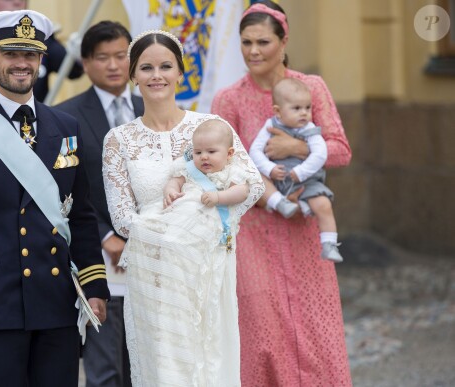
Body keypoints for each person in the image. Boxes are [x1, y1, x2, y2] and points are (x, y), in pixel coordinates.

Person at [0, 10, 110, 386]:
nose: (22, 64)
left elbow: (80, 215)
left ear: (42, 61)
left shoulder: (65, 127)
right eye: (11, 54)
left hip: (56, 301)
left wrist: (94, 287)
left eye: (30, 55)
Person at [102, 30, 263, 387]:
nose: (156, 75)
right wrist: (170, 238)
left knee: (209, 359)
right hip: (153, 272)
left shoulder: (210, 128)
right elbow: (122, 218)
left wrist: (203, 230)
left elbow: (252, 185)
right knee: (166, 367)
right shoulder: (118, 140)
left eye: (165, 66)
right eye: (146, 67)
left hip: (207, 268)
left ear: (180, 72)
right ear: (133, 75)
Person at [211, 2, 353, 386]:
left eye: (263, 42)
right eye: (245, 42)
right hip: (253, 233)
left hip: (305, 230)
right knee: (262, 336)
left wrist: (297, 148)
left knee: (315, 326)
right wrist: (269, 195)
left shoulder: (312, 88)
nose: (253, 51)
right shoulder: (229, 99)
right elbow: (223, 169)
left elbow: (341, 150)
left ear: (284, 40)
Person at [54, 20, 141, 387]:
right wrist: (105, 235)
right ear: (86, 63)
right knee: (105, 368)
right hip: (99, 258)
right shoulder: (64, 116)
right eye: (102, 57)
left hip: (151, 255)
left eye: (121, 56)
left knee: (147, 365)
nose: (113, 65)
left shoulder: (151, 106)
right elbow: (63, 186)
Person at [250, 77, 343, 262]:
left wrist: (301, 172)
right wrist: (269, 169)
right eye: (297, 108)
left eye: (307, 108)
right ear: (278, 111)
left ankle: (329, 244)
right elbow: (254, 151)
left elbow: (320, 154)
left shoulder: (309, 129)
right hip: (276, 181)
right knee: (255, 177)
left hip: (305, 182)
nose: (304, 113)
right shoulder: (270, 126)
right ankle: (280, 203)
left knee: (324, 204)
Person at [0, 0, 83, 102]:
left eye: (30, 54)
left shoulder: (42, 41)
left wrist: (80, 54)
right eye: (10, 54)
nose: (17, 1)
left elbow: (72, 70)